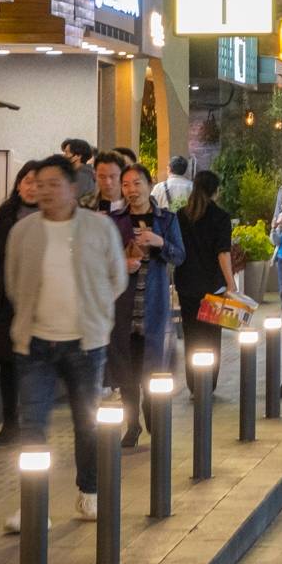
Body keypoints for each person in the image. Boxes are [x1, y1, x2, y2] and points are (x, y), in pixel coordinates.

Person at [3, 154, 127, 531]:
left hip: (85, 342)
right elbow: (13, 283)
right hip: (35, 343)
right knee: (32, 425)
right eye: (39, 185)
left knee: (86, 422)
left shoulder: (98, 228)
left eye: (53, 184)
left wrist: (98, 316)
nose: (44, 191)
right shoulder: (22, 232)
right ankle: (33, 505)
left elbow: (116, 277)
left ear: (74, 188)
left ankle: (89, 493)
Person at [110, 162, 185, 447]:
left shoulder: (166, 219)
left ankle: (152, 415)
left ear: (148, 184)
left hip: (153, 307)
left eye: (136, 183)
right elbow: (104, 260)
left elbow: (179, 256)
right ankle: (132, 426)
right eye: (126, 184)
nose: (131, 190)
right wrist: (122, 263)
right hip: (124, 307)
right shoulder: (116, 221)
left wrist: (159, 242)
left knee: (152, 370)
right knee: (126, 371)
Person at [0, 161, 44, 447]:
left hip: (40, 300)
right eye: (27, 180)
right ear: (18, 184)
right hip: (7, 297)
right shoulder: (6, 215)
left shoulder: (52, 216)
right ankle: (10, 423)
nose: (32, 187)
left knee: (35, 362)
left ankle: (33, 422)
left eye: (38, 182)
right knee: (7, 361)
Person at [173, 169, 235, 382]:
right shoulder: (221, 217)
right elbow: (223, 253)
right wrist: (231, 283)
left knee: (191, 334)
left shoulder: (181, 215)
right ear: (216, 191)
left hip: (186, 284)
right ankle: (208, 382)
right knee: (211, 334)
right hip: (213, 286)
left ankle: (193, 382)